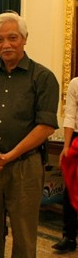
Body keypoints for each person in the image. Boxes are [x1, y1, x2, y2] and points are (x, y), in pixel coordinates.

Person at [0, 11, 59, 257]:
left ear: (25, 38)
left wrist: (9, 156)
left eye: (12, 38)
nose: (6, 44)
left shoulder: (43, 77)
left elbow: (46, 125)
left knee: (24, 237)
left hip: (25, 167)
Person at [52, 76, 78, 253]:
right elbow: (70, 115)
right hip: (76, 140)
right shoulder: (75, 83)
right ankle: (69, 237)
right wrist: (66, 146)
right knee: (71, 190)